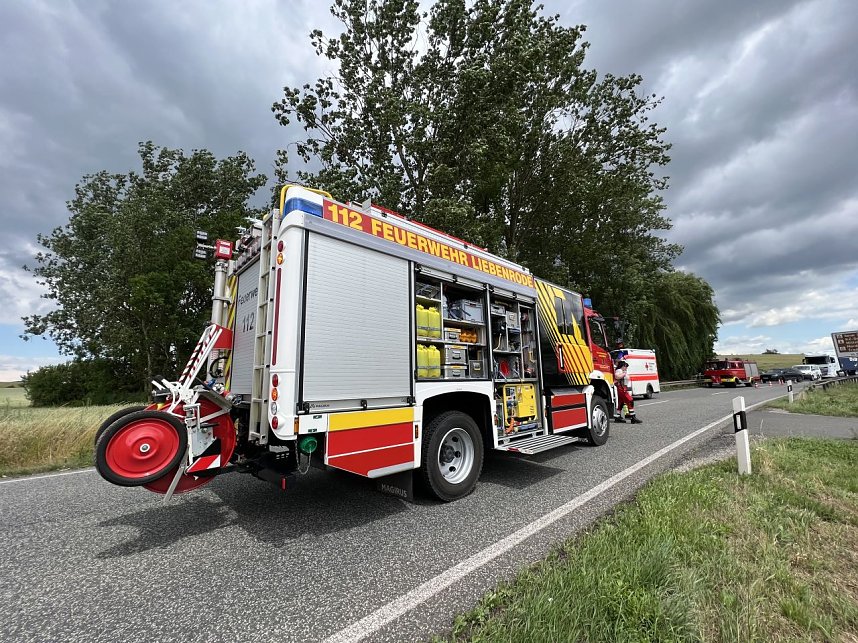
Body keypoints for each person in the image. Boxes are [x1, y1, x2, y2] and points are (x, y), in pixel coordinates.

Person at [613, 359, 642, 424]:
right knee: (630, 400)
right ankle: (633, 417)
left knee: (620, 402)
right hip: (621, 388)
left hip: (622, 388)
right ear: (622, 366)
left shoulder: (622, 371)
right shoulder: (619, 370)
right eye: (625, 366)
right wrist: (623, 374)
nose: (626, 368)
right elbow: (617, 376)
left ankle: (618, 416)